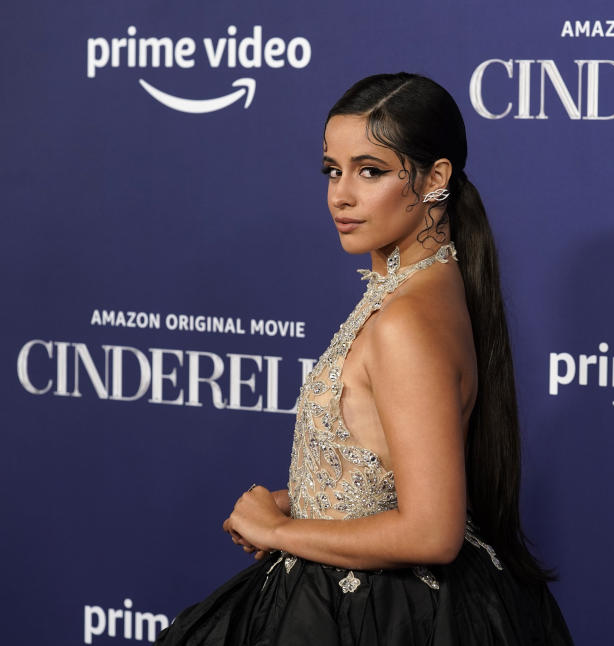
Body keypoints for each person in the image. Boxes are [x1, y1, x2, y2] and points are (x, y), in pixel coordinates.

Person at [155, 72, 574, 645]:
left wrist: (282, 530)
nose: (340, 194)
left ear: (436, 179)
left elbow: (431, 533)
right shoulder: (422, 290)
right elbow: (385, 470)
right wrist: (302, 501)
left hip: (377, 618)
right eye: (333, 169)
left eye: (370, 171)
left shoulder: (405, 320)